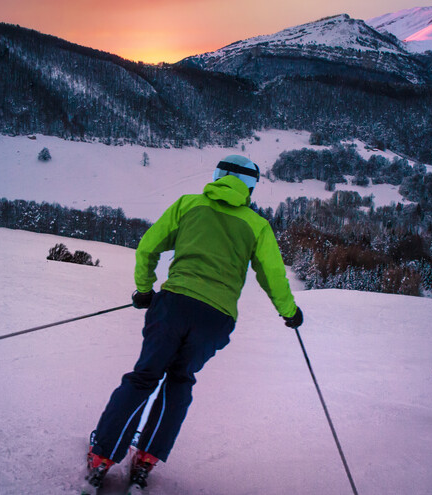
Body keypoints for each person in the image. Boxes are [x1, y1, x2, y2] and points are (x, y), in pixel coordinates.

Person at [84, 154, 303, 491]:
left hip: (173, 305)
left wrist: (145, 290)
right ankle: (146, 459)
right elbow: (272, 274)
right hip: (216, 318)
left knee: (144, 378)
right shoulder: (257, 225)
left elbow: (148, 247)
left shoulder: (189, 205)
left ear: (218, 176)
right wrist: (289, 312)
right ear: (250, 188)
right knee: (179, 381)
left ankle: (103, 456)